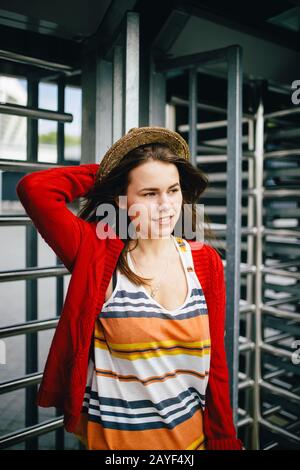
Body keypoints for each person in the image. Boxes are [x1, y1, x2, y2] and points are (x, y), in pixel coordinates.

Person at [16, 126, 244, 450]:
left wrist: (224, 439)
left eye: (173, 189)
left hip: (192, 443)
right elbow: (35, 189)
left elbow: (215, 362)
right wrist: (114, 172)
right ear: (121, 201)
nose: (166, 205)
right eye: (149, 193)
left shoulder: (204, 260)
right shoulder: (96, 254)